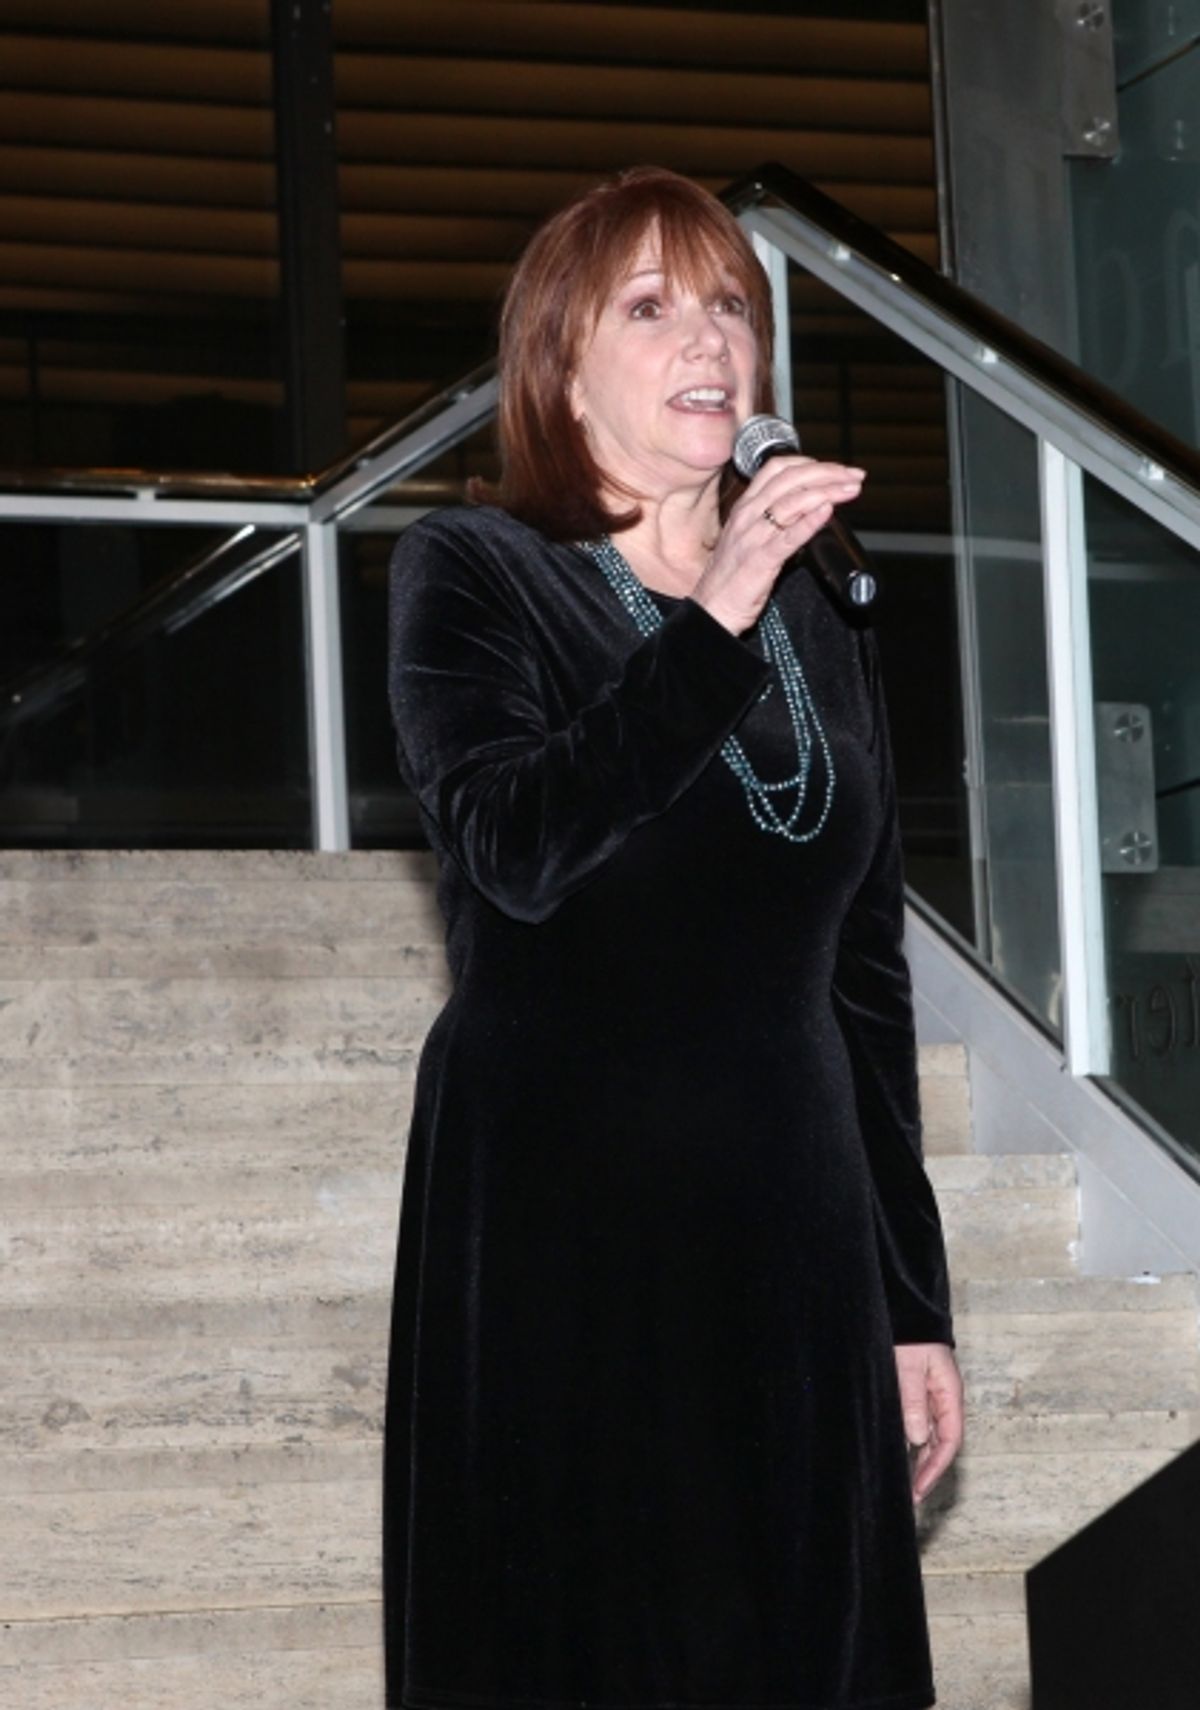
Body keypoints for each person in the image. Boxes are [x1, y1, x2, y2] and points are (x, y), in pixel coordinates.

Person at [384, 165, 963, 1710]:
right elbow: (517, 848)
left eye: (728, 304)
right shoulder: (475, 575)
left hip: (794, 1223)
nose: (708, 335)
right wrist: (716, 613)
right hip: (569, 1220)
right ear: (564, 376)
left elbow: (865, 973)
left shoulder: (823, 612)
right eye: (650, 307)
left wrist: (911, 1303)